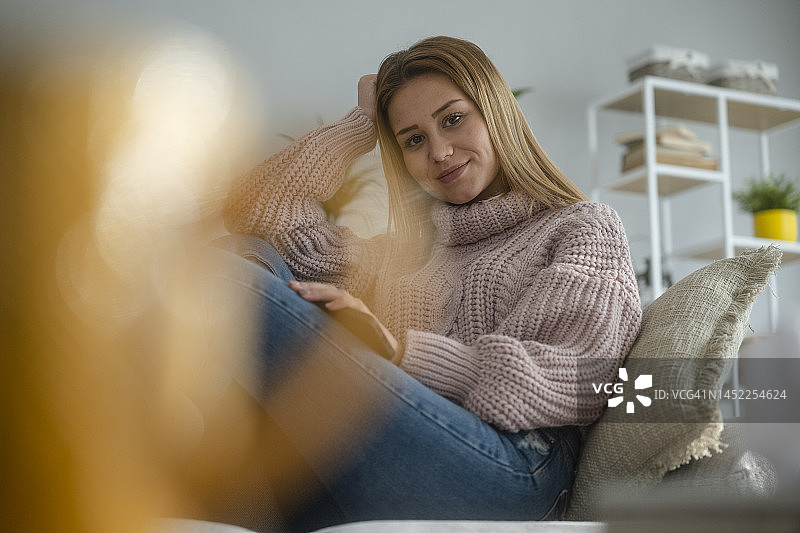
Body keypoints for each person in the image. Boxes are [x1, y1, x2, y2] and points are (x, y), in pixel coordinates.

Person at [211, 35, 642, 531]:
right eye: (413, 139)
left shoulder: (581, 226)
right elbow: (257, 213)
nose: (438, 152)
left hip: (517, 465)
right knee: (240, 257)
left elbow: (587, 375)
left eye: (453, 118)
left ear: (496, 112)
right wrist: (360, 125)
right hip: (408, 453)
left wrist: (400, 353)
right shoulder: (397, 257)